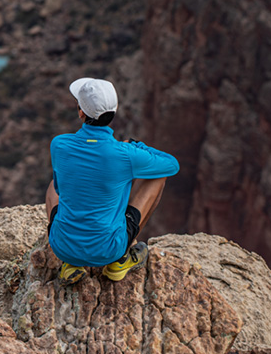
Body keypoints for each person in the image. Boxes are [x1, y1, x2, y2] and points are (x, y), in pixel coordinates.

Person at [46, 77, 179, 285]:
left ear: (81, 112)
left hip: (62, 247)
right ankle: (120, 261)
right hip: (108, 251)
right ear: (113, 113)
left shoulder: (59, 144)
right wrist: (135, 145)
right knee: (157, 175)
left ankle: (71, 265)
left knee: (53, 185)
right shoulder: (125, 154)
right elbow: (171, 164)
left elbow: (59, 188)